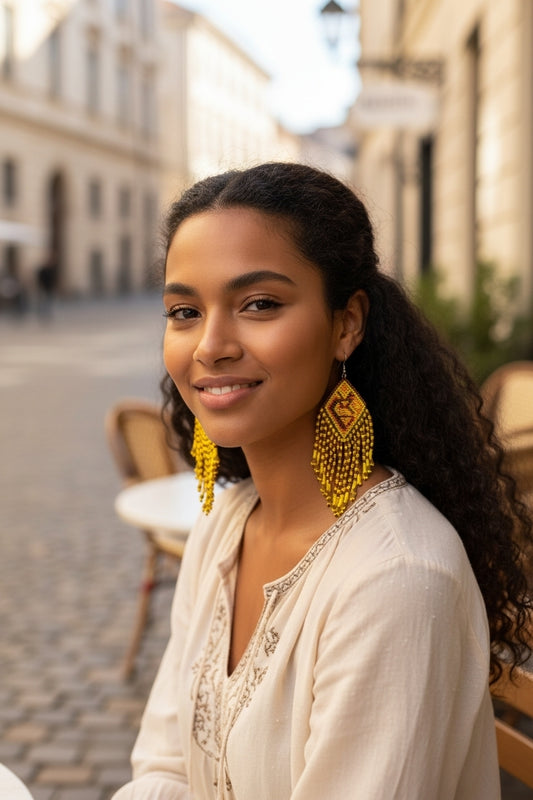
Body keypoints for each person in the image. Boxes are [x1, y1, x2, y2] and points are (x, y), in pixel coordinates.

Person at [112, 162, 532, 799]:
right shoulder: (226, 528)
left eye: (260, 304)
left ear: (346, 324)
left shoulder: (398, 578)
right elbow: (166, 769)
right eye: (185, 310)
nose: (210, 345)